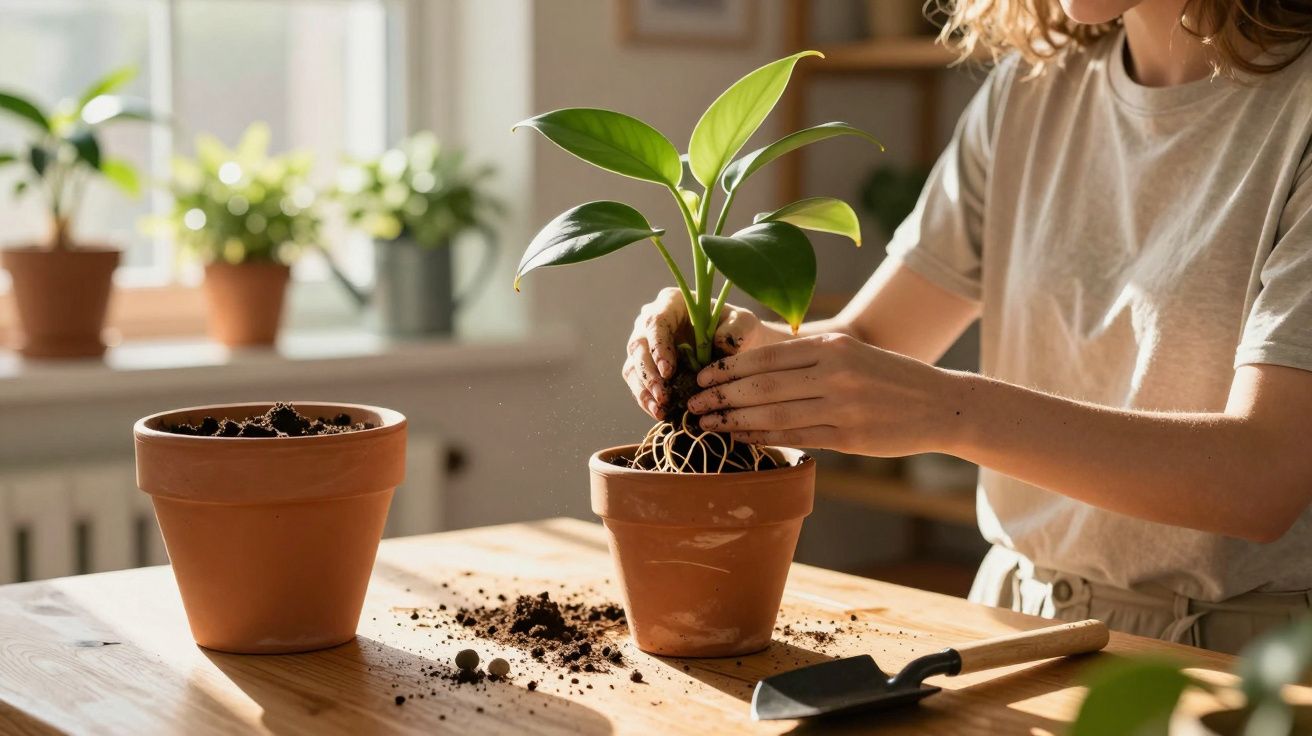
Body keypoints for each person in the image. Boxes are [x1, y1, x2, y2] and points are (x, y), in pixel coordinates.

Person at [622, 0, 1312, 655]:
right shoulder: (1031, 91)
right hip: (1015, 619)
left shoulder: (1297, 110)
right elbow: (876, 338)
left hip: (1233, 659)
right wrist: (732, 348)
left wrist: (949, 412)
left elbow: (1264, 477)